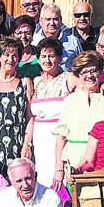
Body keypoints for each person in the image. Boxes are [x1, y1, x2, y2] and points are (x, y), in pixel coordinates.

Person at [52, 51, 104, 190]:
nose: (90, 76)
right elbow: (61, 138)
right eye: (85, 72)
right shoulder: (70, 100)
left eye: (93, 71)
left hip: (101, 158)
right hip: (74, 159)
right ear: (78, 76)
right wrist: (58, 169)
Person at [0, 37, 33, 175]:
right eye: (6, 55)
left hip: (17, 140)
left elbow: (29, 117)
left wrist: (27, 144)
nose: (11, 59)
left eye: (15, 55)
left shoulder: (25, 82)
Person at [30, 38, 74, 187]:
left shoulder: (68, 79)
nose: (47, 60)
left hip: (59, 141)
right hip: (39, 142)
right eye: (43, 56)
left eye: (51, 56)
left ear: (59, 58)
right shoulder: (35, 82)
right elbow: (31, 117)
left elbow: (89, 84)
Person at [31, 3, 82, 71]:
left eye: (55, 19)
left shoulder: (73, 41)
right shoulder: (33, 41)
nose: (52, 23)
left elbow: (81, 66)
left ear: (61, 20)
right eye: (48, 19)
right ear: (40, 21)